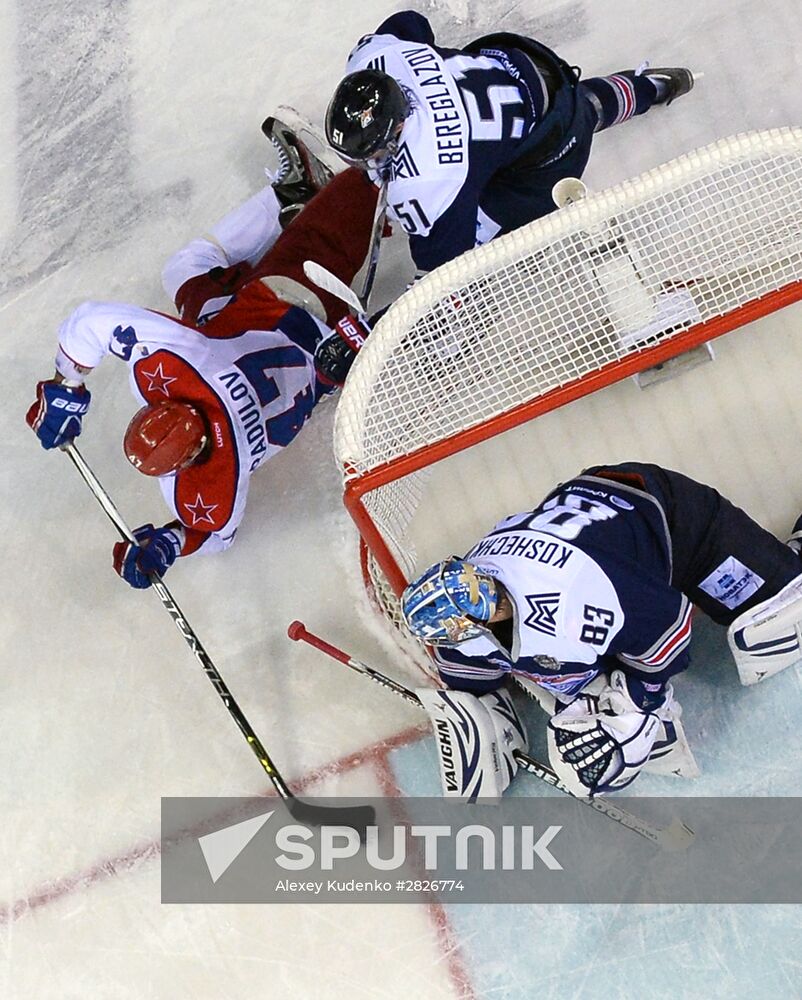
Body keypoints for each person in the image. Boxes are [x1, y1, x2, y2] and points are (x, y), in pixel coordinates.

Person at [26, 123, 376, 589]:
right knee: (375, 176)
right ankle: (309, 197)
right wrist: (65, 385)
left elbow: (215, 534)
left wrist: (172, 543)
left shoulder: (218, 483)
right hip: (292, 300)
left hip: (329, 364)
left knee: (184, 274)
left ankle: (291, 196)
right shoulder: (178, 365)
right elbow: (90, 322)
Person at [400, 462, 802, 799]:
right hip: (599, 540)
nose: (495, 599)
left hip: (670, 520)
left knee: (781, 617)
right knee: (589, 688)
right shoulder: (463, 621)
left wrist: (639, 699)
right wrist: (472, 714)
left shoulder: (571, 594)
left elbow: (670, 622)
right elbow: (470, 676)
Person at [325, 9, 694, 279]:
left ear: (400, 125)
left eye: (372, 153)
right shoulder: (378, 58)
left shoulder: (429, 180)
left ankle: (647, 90)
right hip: (521, 63)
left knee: (478, 255)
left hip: (549, 154)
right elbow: (411, 23)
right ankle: (651, 86)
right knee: (577, 106)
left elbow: (440, 279)